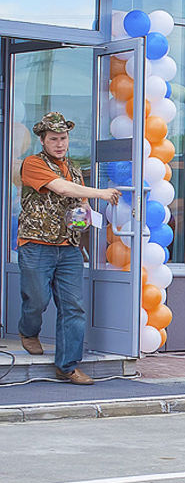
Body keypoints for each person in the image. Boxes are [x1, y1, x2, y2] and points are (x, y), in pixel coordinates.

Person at [17, 112, 121, 386]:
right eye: (53, 139)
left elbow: (80, 201)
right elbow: (61, 189)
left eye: (63, 138)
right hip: (36, 245)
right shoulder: (33, 163)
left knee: (73, 307)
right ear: (43, 140)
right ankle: (28, 331)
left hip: (68, 248)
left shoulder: (73, 169)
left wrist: (85, 216)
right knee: (37, 300)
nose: (60, 144)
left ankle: (68, 366)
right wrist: (101, 193)